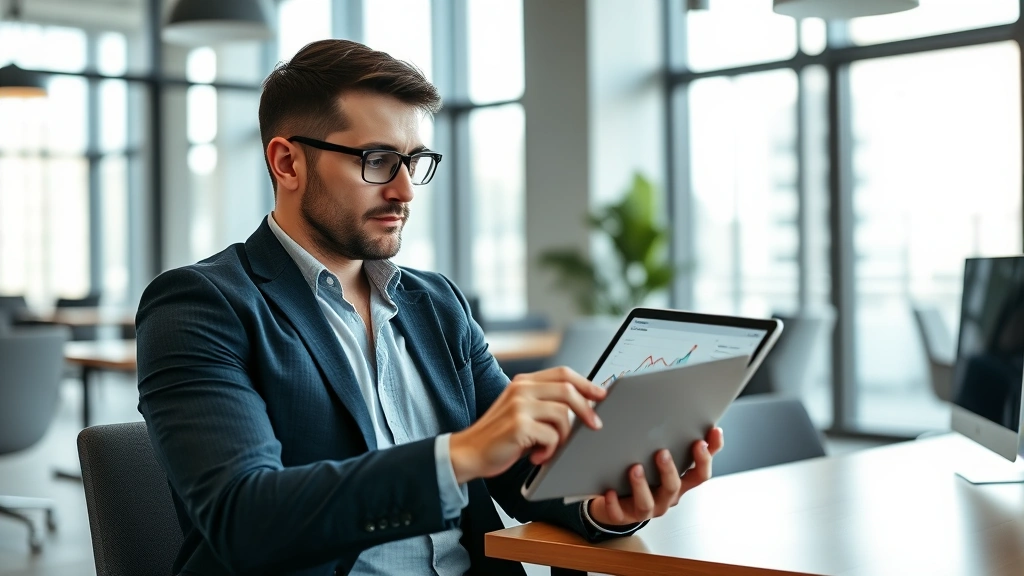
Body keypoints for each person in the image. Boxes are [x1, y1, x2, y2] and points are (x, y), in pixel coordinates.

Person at [136, 39, 724, 576]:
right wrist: (459, 453)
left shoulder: (434, 302)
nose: (404, 191)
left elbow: (520, 473)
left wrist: (601, 505)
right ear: (288, 162)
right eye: (376, 160)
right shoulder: (200, 305)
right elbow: (245, 520)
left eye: (413, 161)